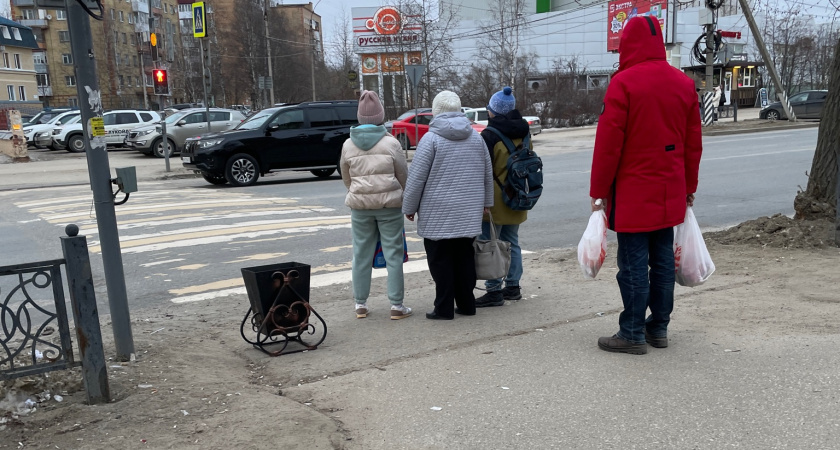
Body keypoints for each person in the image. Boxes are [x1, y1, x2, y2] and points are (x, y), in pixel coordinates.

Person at [589, 16, 703, 354]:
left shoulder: (624, 83)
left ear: (628, 45)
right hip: (670, 190)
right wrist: (689, 187)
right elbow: (693, 144)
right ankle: (659, 328)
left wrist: (598, 193)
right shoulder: (683, 83)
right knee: (663, 262)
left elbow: (608, 146)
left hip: (633, 191)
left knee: (633, 265)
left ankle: (632, 332)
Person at [402, 90, 493, 320]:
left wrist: (409, 207)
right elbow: (486, 173)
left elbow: (417, 178)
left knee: (440, 261)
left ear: (436, 111)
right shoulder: (476, 138)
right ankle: (467, 304)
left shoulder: (430, 140)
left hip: (437, 212)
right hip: (468, 210)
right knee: (465, 258)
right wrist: (487, 202)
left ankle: (443, 308)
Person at [340, 90, 412, 320]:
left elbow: (346, 176)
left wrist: (357, 191)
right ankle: (396, 305)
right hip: (389, 206)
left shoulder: (348, 144)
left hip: (360, 206)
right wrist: (406, 198)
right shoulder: (391, 143)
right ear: (380, 116)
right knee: (393, 254)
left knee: (361, 254)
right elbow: (403, 174)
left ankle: (360, 304)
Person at [475, 86, 531, 308]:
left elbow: (483, 170)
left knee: (491, 243)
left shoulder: (489, 135)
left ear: (494, 111)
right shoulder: (524, 131)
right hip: (518, 194)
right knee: (512, 242)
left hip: (495, 199)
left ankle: (493, 289)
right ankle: (513, 286)